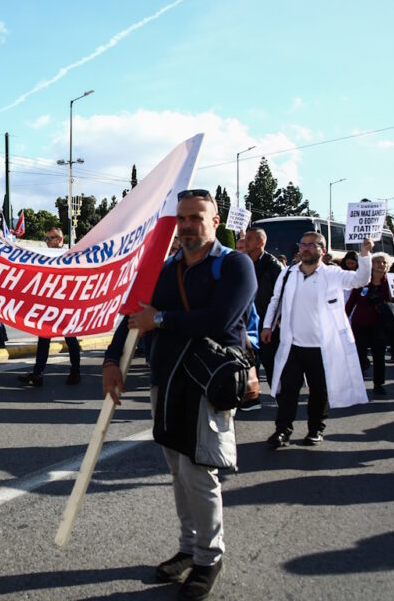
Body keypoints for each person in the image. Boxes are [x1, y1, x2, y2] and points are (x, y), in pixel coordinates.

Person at [103, 190, 256, 600]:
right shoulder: (165, 268)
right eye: (182, 218)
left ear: (215, 221)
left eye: (196, 217)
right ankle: (189, 548)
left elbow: (219, 319)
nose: (187, 225)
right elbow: (134, 313)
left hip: (207, 387)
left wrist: (161, 319)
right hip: (166, 382)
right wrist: (112, 360)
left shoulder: (235, 265)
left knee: (198, 473)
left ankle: (209, 558)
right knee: (177, 470)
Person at [261, 233, 373, 448]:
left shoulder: (332, 274)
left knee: (319, 391)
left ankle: (315, 430)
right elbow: (276, 300)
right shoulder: (288, 273)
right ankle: (282, 430)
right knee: (288, 391)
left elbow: (361, 280)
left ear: (322, 250)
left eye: (311, 245)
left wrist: (365, 253)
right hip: (293, 345)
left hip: (321, 347)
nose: (305, 248)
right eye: (302, 244)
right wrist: (268, 326)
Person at [17, 227, 81, 386]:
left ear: (59, 239)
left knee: (71, 340)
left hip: (65, 306)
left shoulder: (69, 256)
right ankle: (38, 374)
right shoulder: (45, 256)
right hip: (49, 306)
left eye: (49, 238)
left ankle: (75, 372)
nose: (46, 242)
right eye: (45, 238)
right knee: (43, 339)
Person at [244, 227, 284, 398]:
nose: (245, 242)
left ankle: (280, 396)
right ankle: (251, 399)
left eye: (249, 238)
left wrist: (276, 321)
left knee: (270, 362)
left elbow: (282, 296)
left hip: (267, 324)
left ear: (260, 242)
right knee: (247, 363)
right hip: (247, 322)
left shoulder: (273, 266)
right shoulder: (244, 262)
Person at [346, 253, 392, 395]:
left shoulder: (390, 282)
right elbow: (352, 301)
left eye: (384, 262)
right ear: (371, 265)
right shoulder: (363, 281)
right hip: (360, 323)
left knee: (379, 356)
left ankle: (378, 384)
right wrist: (343, 319)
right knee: (359, 355)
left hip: (380, 325)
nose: (381, 264)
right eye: (378, 262)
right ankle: (356, 384)